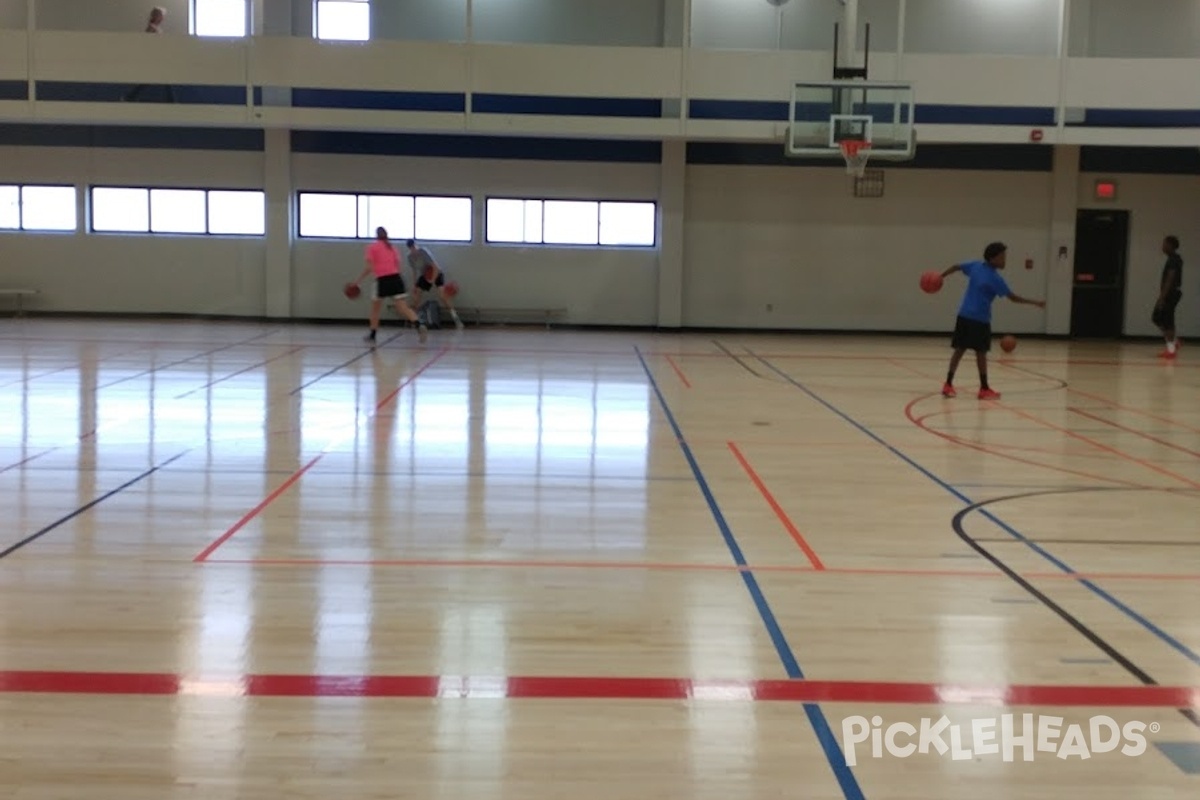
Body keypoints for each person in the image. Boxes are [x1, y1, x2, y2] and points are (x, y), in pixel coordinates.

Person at [937, 242, 1045, 400]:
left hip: (965, 315)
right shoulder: (995, 279)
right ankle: (983, 388)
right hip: (979, 319)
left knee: (960, 350)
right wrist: (1035, 303)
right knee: (980, 353)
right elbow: (1013, 298)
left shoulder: (975, 265)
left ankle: (949, 384)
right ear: (993, 259)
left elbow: (956, 266)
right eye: (1002, 257)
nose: (1005, 260)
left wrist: (940, 276)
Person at [351, 227, 427, 345]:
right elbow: (398, 266)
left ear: (376, 235)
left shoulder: (372, 247)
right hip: (396, 279)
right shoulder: (392, 248)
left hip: (382, 280)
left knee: (375, 309)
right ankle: (419, 324)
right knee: (403, 308)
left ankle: (373, 335)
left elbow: (369, 268)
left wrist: (357, 281)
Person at [405, 239, 464, 330]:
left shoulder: (423, 252)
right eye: (411, 248)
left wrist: (432, 280)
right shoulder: (410, 257)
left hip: (436, 272)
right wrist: (415, 285)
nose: (413, 250)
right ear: (409, 248)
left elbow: (434, 267)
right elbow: (414, 272)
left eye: (414, 247)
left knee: (443, 296)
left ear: (416, 245)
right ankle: (414, 320)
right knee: (416, 296)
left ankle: (456, 319)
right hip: (425, 275)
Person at [123, 8, 175, 103]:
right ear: (156, 16)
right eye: (161, 15)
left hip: (157, 59)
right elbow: (148, 44)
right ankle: (171, 101)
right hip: (155, 59)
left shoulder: (156, 29)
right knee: (160, 79)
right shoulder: (151, 28)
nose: (162, 18)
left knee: (153, 80)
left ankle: (130, 97)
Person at [1153, 235, 1182, 360]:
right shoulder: (1173, 259)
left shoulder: (1174, 260)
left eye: (1164, 244)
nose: (1162, 246)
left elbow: (1170, 279)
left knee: (1165, 320)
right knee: (1159, 318)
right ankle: (1174, 342)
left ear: (1170, 245)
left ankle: (1171, 350)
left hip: (1170, 294)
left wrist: (1162, 297)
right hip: (1171, 293)